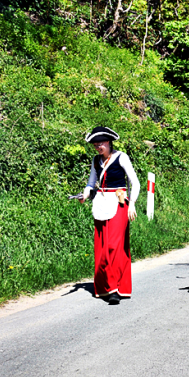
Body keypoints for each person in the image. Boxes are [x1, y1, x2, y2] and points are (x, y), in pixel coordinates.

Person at [81, 126, 140, 305]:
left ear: (109, 142)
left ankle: (115, 288)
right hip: (100, 203)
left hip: (119, 204)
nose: (98, 147)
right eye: (95, 144)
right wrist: (85, 194)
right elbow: (91, 183)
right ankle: (105, 286)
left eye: (101, 143)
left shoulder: (122, 157)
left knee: (115, 246)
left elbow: (135, 183)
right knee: (101, 247)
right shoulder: (95, 160)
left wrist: (132, 204)